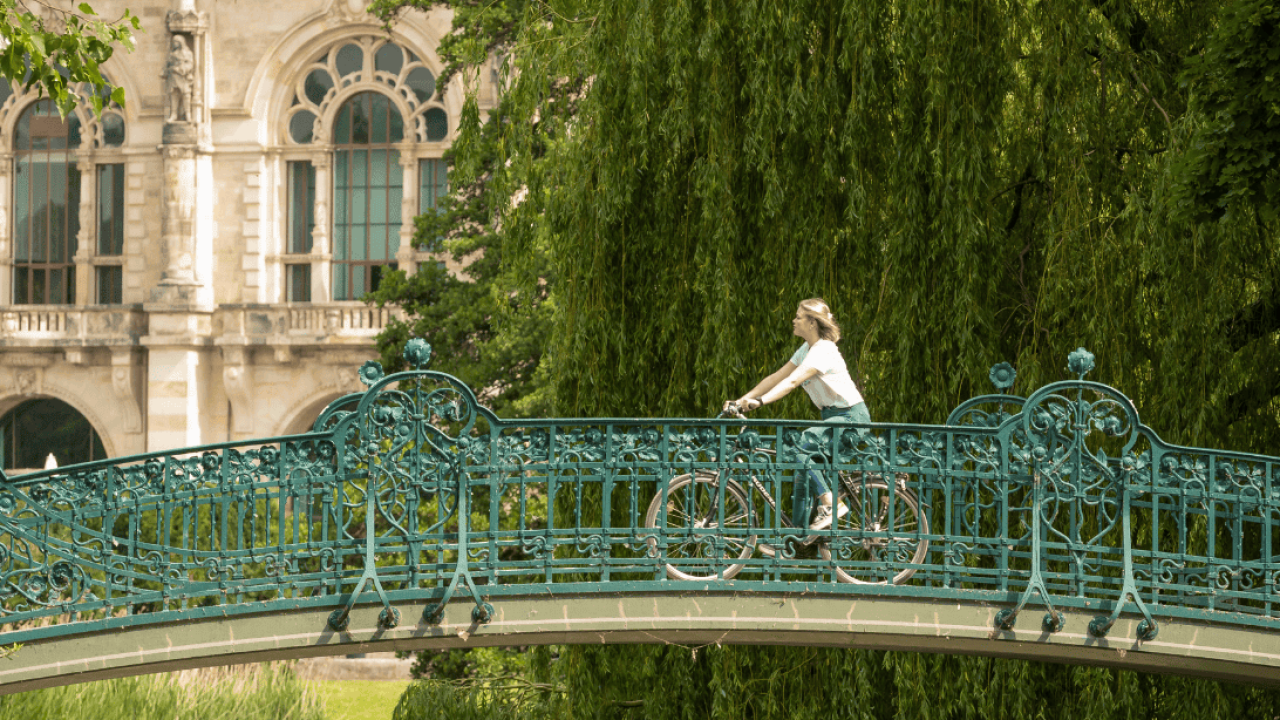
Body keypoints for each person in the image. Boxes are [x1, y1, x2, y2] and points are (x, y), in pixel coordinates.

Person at [725, 298, 870, 529]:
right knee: (803, 475)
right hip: (833, 418)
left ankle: (831, 504)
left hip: (851, 418)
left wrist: (760, 402)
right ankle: (798, 540)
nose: (794, 320)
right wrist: (742, 400)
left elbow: (792, 382)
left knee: (801, 444)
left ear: (812, 323)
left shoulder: (823, 350)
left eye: (798, 317)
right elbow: (778, 376)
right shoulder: (807, 349)